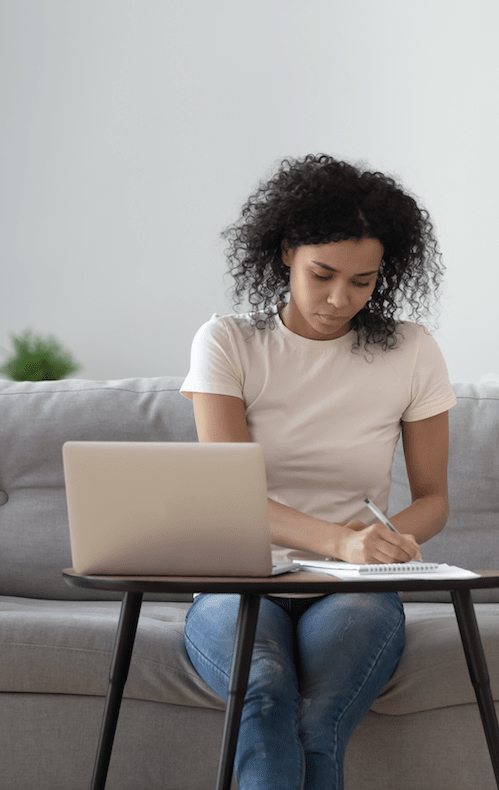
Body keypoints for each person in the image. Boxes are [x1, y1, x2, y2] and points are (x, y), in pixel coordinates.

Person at [180, 153, 456, 790]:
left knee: (318, 713)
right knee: (265, 690)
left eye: (363, 282)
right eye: (322, 274)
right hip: (237, 578)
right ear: (284, 253)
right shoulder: (228, 342)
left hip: (351, 585)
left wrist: (392, 542)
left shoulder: (412, 351)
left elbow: (434, 498)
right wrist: (342, 541)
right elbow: (228, 496)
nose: (340, 300)